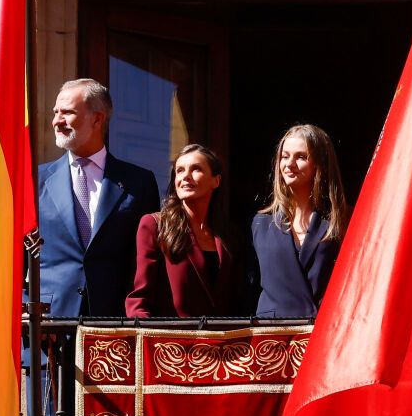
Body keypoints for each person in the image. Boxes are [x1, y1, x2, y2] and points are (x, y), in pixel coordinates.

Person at [33, 79, 160, 317]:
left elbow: (146, 258)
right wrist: (24, 307)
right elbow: (14, 252)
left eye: (67, 112)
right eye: (55, 112)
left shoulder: (139, 182)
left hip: (113, 321)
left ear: (97, 119)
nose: (57, 121)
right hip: (49, 323)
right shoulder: (34, 180)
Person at [128, 144, 242, 317]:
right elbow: (139, 301)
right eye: (180, 170)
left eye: (196, 169)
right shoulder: (155, 225)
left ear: (216, 181)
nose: (186, 176)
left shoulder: (231, 236)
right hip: (171, 334)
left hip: (222, 334)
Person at [246, 124, 348, 319]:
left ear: (320, 164)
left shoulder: (340, 221)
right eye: (285, 157)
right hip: (273, 332)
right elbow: (249, 287)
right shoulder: (260, 224)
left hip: (324, 328)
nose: (289, 164)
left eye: (301, 157)